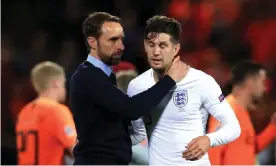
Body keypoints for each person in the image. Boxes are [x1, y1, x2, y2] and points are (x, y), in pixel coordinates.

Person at [70, 12, 188, 165]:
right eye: (113, 40)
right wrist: (169, 80)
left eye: (121, 39)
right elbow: (131, 109)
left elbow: (114, 124)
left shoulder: (104, 75)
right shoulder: (88, 76)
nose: (121, 46)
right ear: (93, 42)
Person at [127, 15, 241, 165]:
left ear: (176, 48)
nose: (155, 52)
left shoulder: (202, 82)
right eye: (151, 44)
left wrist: (208, 139)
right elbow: (139, 134)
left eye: (162, 46)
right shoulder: (137, 86)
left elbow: (233, 127)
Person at [208, 61, 276, 165]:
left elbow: (249, 148)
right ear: (250, 82)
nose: (264, 88)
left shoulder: (241, 111)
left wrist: (273, 127)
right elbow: (213, 150)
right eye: (262, 82)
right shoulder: (228, 111)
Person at [16, 61, 77, 165]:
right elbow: (78, 152)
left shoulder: (24, 112)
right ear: (55, 83)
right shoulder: (56, 110)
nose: (64, 88)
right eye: (63, 83)